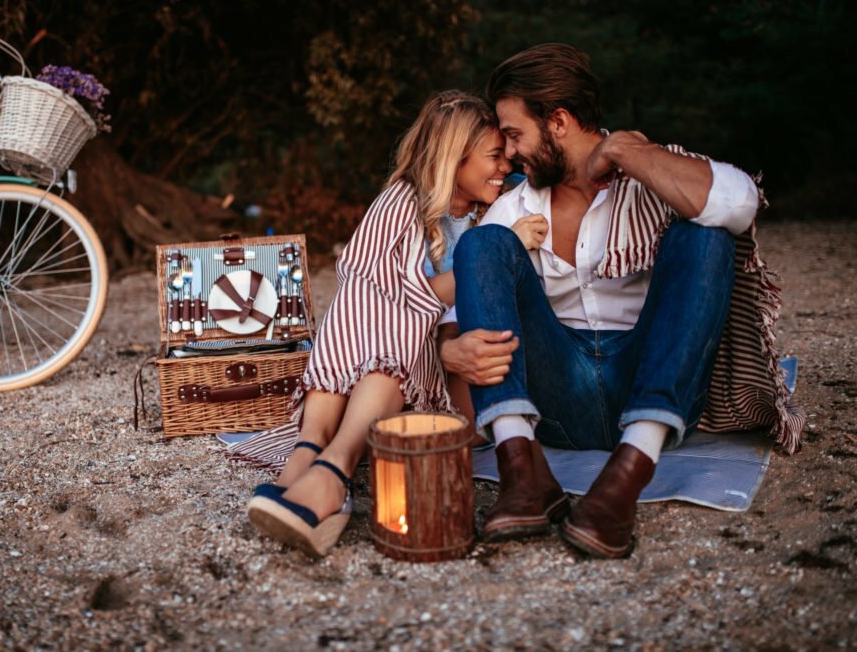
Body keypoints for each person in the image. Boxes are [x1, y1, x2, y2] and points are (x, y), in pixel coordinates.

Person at [440, 43, 804, 559]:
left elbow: (741, 203)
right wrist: (447, 351)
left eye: (516, 135)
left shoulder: (652, 178)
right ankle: (523, 472)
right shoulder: (514, 207)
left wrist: (629, 154)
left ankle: (625, 478)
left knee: (707, 234)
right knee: (482, 243)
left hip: (649, 381)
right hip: (557, 401)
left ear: (559, 121)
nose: (511, 152)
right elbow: (462, 315)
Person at [245, 90, 547, 558]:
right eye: (492, 156)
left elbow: (435, 300)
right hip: (382, 359)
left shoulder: (492, 216)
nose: (505, 166)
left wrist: (501, 241)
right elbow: (379, 284)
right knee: (369, 299)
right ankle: (309, 456)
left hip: (444, 382)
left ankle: (329, 470)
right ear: (454, 157)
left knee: (389, 317)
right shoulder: (402, 202)